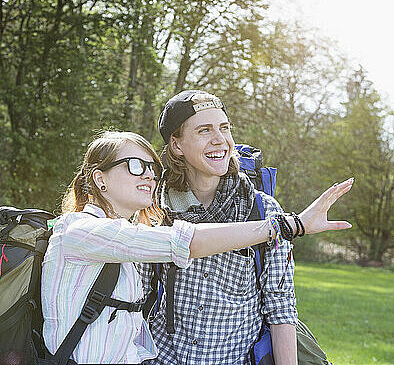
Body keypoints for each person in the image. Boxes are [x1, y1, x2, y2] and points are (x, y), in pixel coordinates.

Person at [41, 130, 353, 364]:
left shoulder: (128, 235)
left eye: (153, 167)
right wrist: (287, 225)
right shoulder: (80, 231)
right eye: (135, 165)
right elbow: (185, 243)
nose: (149, 175)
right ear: (100, 178)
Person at [139, 90, 327, 365]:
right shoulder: (153, 210)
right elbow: (137, 297)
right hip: (162, 358)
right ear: (177, 145)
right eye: (204, 130)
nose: (220, 140)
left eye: (224, 128)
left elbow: (281, 307)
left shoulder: (263, 211)